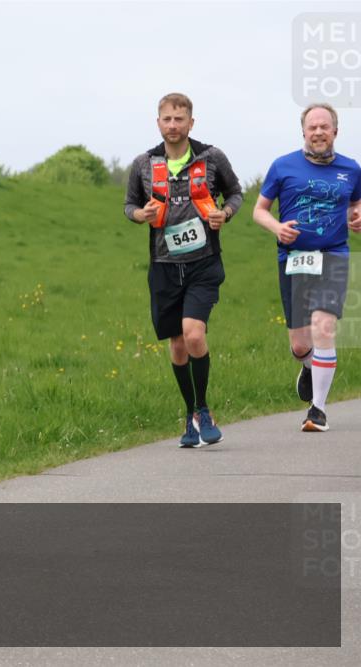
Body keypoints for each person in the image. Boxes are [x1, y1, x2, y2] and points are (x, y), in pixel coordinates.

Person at [124, 93, 243, 448]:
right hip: (164, 266)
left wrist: (225, 214)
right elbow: (129, 205)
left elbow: (236, 194)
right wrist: (139, 215)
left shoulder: (211, 158)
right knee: (177, 345)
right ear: (158, 123)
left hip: (203, 263)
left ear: (191, 122)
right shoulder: (144, 164)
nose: (173, 125)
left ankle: (204, 409)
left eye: (179, 119)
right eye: (167, 119)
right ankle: (190, 414)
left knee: (193, 335)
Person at [252, 103, 361, 432]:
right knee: (300, 344)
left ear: (335, 131)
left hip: (333, 254)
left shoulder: (351, 169)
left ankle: (318, 410)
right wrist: (277, 228)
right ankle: (310, 367)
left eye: (324, 127)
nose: (318, 132)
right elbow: (259, 210)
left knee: (324, 328)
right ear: (303, 131)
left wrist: (357, 217)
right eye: (312, 127)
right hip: (294, 258)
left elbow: (356, 205)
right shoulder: (282, 166)